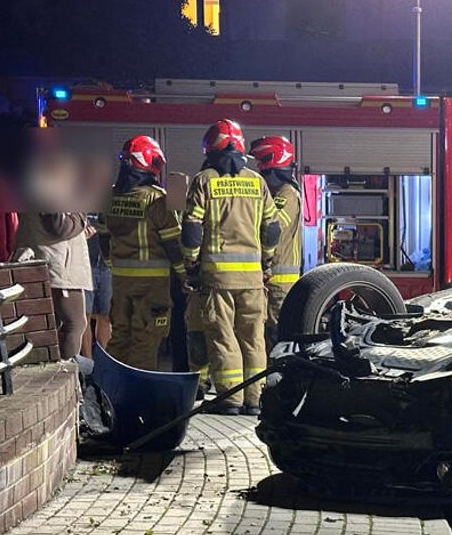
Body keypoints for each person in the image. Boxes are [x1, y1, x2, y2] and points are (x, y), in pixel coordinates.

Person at [182, 119, 279, 416]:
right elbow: (272, 228)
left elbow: (191, 230)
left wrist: (191, 262)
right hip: (252, 279)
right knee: (253, 338)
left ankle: (230, 400)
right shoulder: (256, 181)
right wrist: (266, 260)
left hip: (218, 279)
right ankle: (254, 399)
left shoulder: (205, 180)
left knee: (223, 337)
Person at [97, 136, 183, 370]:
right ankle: (139, 392)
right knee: (147, 339)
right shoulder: (158, 199)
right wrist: (185, 276)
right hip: (152, 285)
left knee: (120, 336)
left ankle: (111, 388)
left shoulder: (109, 198)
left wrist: (112, 265)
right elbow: (174, 244)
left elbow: (103, 237)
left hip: (122, 282)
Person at [248, 136, 302, 350]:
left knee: (277, 336)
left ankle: (279, 381)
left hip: (280, 283)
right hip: (271, 280)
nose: (260, 170)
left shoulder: (286, 195)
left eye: (262, 165)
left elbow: (273, 229)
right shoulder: (276, 194)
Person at [15, 212, 92, 359]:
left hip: (46, 260)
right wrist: (81, 214)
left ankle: (53, 368)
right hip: (55, 264)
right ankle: (67, 373)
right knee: (74, 323)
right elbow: (60, 226)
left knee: (51, 325)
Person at [80, 215, 112, 356]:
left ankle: (105, 359)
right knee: (85, 316)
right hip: (83, 263)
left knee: (105, 315)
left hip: (108, 264)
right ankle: (89, 364)